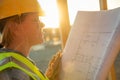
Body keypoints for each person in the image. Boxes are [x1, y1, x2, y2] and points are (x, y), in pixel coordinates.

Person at [0, 0, 61, 80]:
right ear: (14, 28)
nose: (42, 24)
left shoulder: (17, 64)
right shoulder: (12, 72)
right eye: (35, 19)